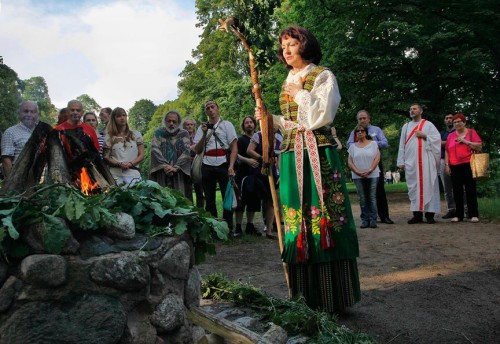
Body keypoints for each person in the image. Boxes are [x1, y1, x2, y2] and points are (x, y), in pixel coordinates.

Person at [255, 26, 360, 314]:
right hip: (290, 155)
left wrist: (301, 93)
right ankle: (303, 296)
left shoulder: (322, 75)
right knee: (295, 219)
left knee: (325, 214)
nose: (286, 50)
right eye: (283, 45)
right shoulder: (287, 79)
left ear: (305, 45)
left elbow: (320, 115)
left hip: (318, 153)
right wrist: (269, 118)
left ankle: (332, 297)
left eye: (292, 44)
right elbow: (290, 122)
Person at [193, 100, 238, 232]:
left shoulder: (227, 125)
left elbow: (234, 148)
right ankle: (213, 228)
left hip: (224, 163)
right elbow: (197, 149)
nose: (210, 109)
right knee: (209, 197)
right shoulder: (202, 128)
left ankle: (228, 227)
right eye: (207, 108)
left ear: (217, 109)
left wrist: (231, 166)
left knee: (227, 196)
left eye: (213, 107)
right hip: (207, 163)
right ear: (206, 112)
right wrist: (204, 134)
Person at [347, 110, 394, 224]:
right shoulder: (355, 132)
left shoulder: (376, 130)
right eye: (360, 119)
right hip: (358, 164)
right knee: (363, 194)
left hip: (375, 162)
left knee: (379, 190)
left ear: (369, 119)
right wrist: (361, 144)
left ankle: (384, 216)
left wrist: (371, 143)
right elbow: (348, 144)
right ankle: (367, 217)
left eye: (364, 118)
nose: (362, 120)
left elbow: (385, 143)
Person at [397, 103, 441, 224]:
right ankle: (417, 215)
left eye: (414, 109)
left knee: (429, 184)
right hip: (411, 162)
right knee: (414, 187)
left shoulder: (428, 125)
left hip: (426, 160)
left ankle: (430, 215)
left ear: (420, 111)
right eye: (410, 109)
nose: (412, 110)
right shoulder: (406, 127)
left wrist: (424, 135)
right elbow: (402, 145)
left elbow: (437, 140)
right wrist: (401, 161)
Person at [444, 113, 482, 223]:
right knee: (457, 191)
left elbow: (479, 146)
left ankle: (473, 214)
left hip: (468, 164)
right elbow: (447, 151)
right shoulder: (451, 136)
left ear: (464, 122)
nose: (456, 124)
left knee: (470, 190)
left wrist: (465, 141)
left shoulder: (471, 132)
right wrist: (447, 165)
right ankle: (458, 215)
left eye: (459, 121)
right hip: (454, 166)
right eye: (455, 122)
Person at [246, 129, 282, 239]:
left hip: (273, 172)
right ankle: (249, 225)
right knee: (256, 199)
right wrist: (262, 158)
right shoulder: (259, 135)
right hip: (259, 172)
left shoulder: (279, 138)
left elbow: (279, 156)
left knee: (271, 200)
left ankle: (269, 230)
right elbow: (249, 150)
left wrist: (280, 171)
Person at [149, 111, 193, 200]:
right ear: (164, 121)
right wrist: (165, 166)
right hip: (162, 171)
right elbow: (154, 150)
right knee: (162, 199)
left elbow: (186, 152)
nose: (171, 123)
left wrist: (175, 167)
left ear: (179, 122)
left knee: (180, 199)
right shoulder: (158, 133)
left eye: (174, 121)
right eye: (169, 121)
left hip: (179, 172)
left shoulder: (184, 133)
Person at [347, 123, 380, 228]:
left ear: (366, 133)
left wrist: (370, 170)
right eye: (358, 131)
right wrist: (357, 171)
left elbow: (377, 158)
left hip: (373, 174)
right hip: (358, 176)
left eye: (362, 131)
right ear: (355, 134)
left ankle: (373, 219)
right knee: (362, 198)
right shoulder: (352, 147)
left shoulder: (373, 144)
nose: (360, 132)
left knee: (372, 197)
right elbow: (350, 162)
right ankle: (365, 220)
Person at [103, 107, 144, 187]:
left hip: (133, 174)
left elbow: (141, 155)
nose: (122, 118)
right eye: (118, 116)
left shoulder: (136, 134)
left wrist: (131, 164)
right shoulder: (109, 137)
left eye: (124, 115)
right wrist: (119, 164)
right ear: (113, 119)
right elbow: (106, 157)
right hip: (115, 175)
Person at [234, 116, 260, 237]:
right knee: (240, 200)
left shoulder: (258, 138)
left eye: (251, 122)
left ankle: (250, 225)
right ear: (243, 126)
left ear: (254, 124)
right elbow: (235, 154)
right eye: (246, 123)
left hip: (255, 174)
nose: (249, 124)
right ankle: (238, 227)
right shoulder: (240, 140)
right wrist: (247, 160)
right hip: (242, 173)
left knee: (253, 201)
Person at [1, 100, 39, 178]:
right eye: (25, 111)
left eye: (32, 112)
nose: (29, 114)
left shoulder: (44, 131)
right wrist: (11, 183)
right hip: (19, 178)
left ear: (37, 114)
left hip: (40, 179)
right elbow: (6, 160)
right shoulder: (10, 132)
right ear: (19, 113)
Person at [439, 114, 459, 219]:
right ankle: (451, 209)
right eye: (446, 118)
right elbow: (436, 143)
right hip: (443, 161)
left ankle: (465, 209)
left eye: (451, 118)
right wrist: (452, 142)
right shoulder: (441, 133)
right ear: (444, 121)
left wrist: (444, 143)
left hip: (459, 161)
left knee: (461, 187)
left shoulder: (459, 131)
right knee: (447, 187)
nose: (449, 120)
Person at [183, 118, 204, 208]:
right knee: (187, 191)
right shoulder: (181, 137)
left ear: (194, 126)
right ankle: (190, 212)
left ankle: (200, 212)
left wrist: (191, 148)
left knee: (199, 189)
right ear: (184, 126)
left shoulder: (198, 137)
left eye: (191, 124)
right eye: (187, 124)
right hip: (185, 166)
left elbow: (201, 149)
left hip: (197, 165)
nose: (189, 126)